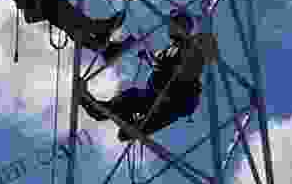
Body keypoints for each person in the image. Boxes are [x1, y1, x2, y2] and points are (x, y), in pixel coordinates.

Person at [80, 9, 218, 141]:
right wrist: (149, 58)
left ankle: (95, 108)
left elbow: (202, 55)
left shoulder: (189, 47)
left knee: (130, 102)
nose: (170, 27)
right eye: (172, 23)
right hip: (158, 100)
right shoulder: (173, 49)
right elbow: (163, 64)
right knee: (126, 130)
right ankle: (100, 109)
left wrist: (203, 30)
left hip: (170, 102)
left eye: (175, 23)